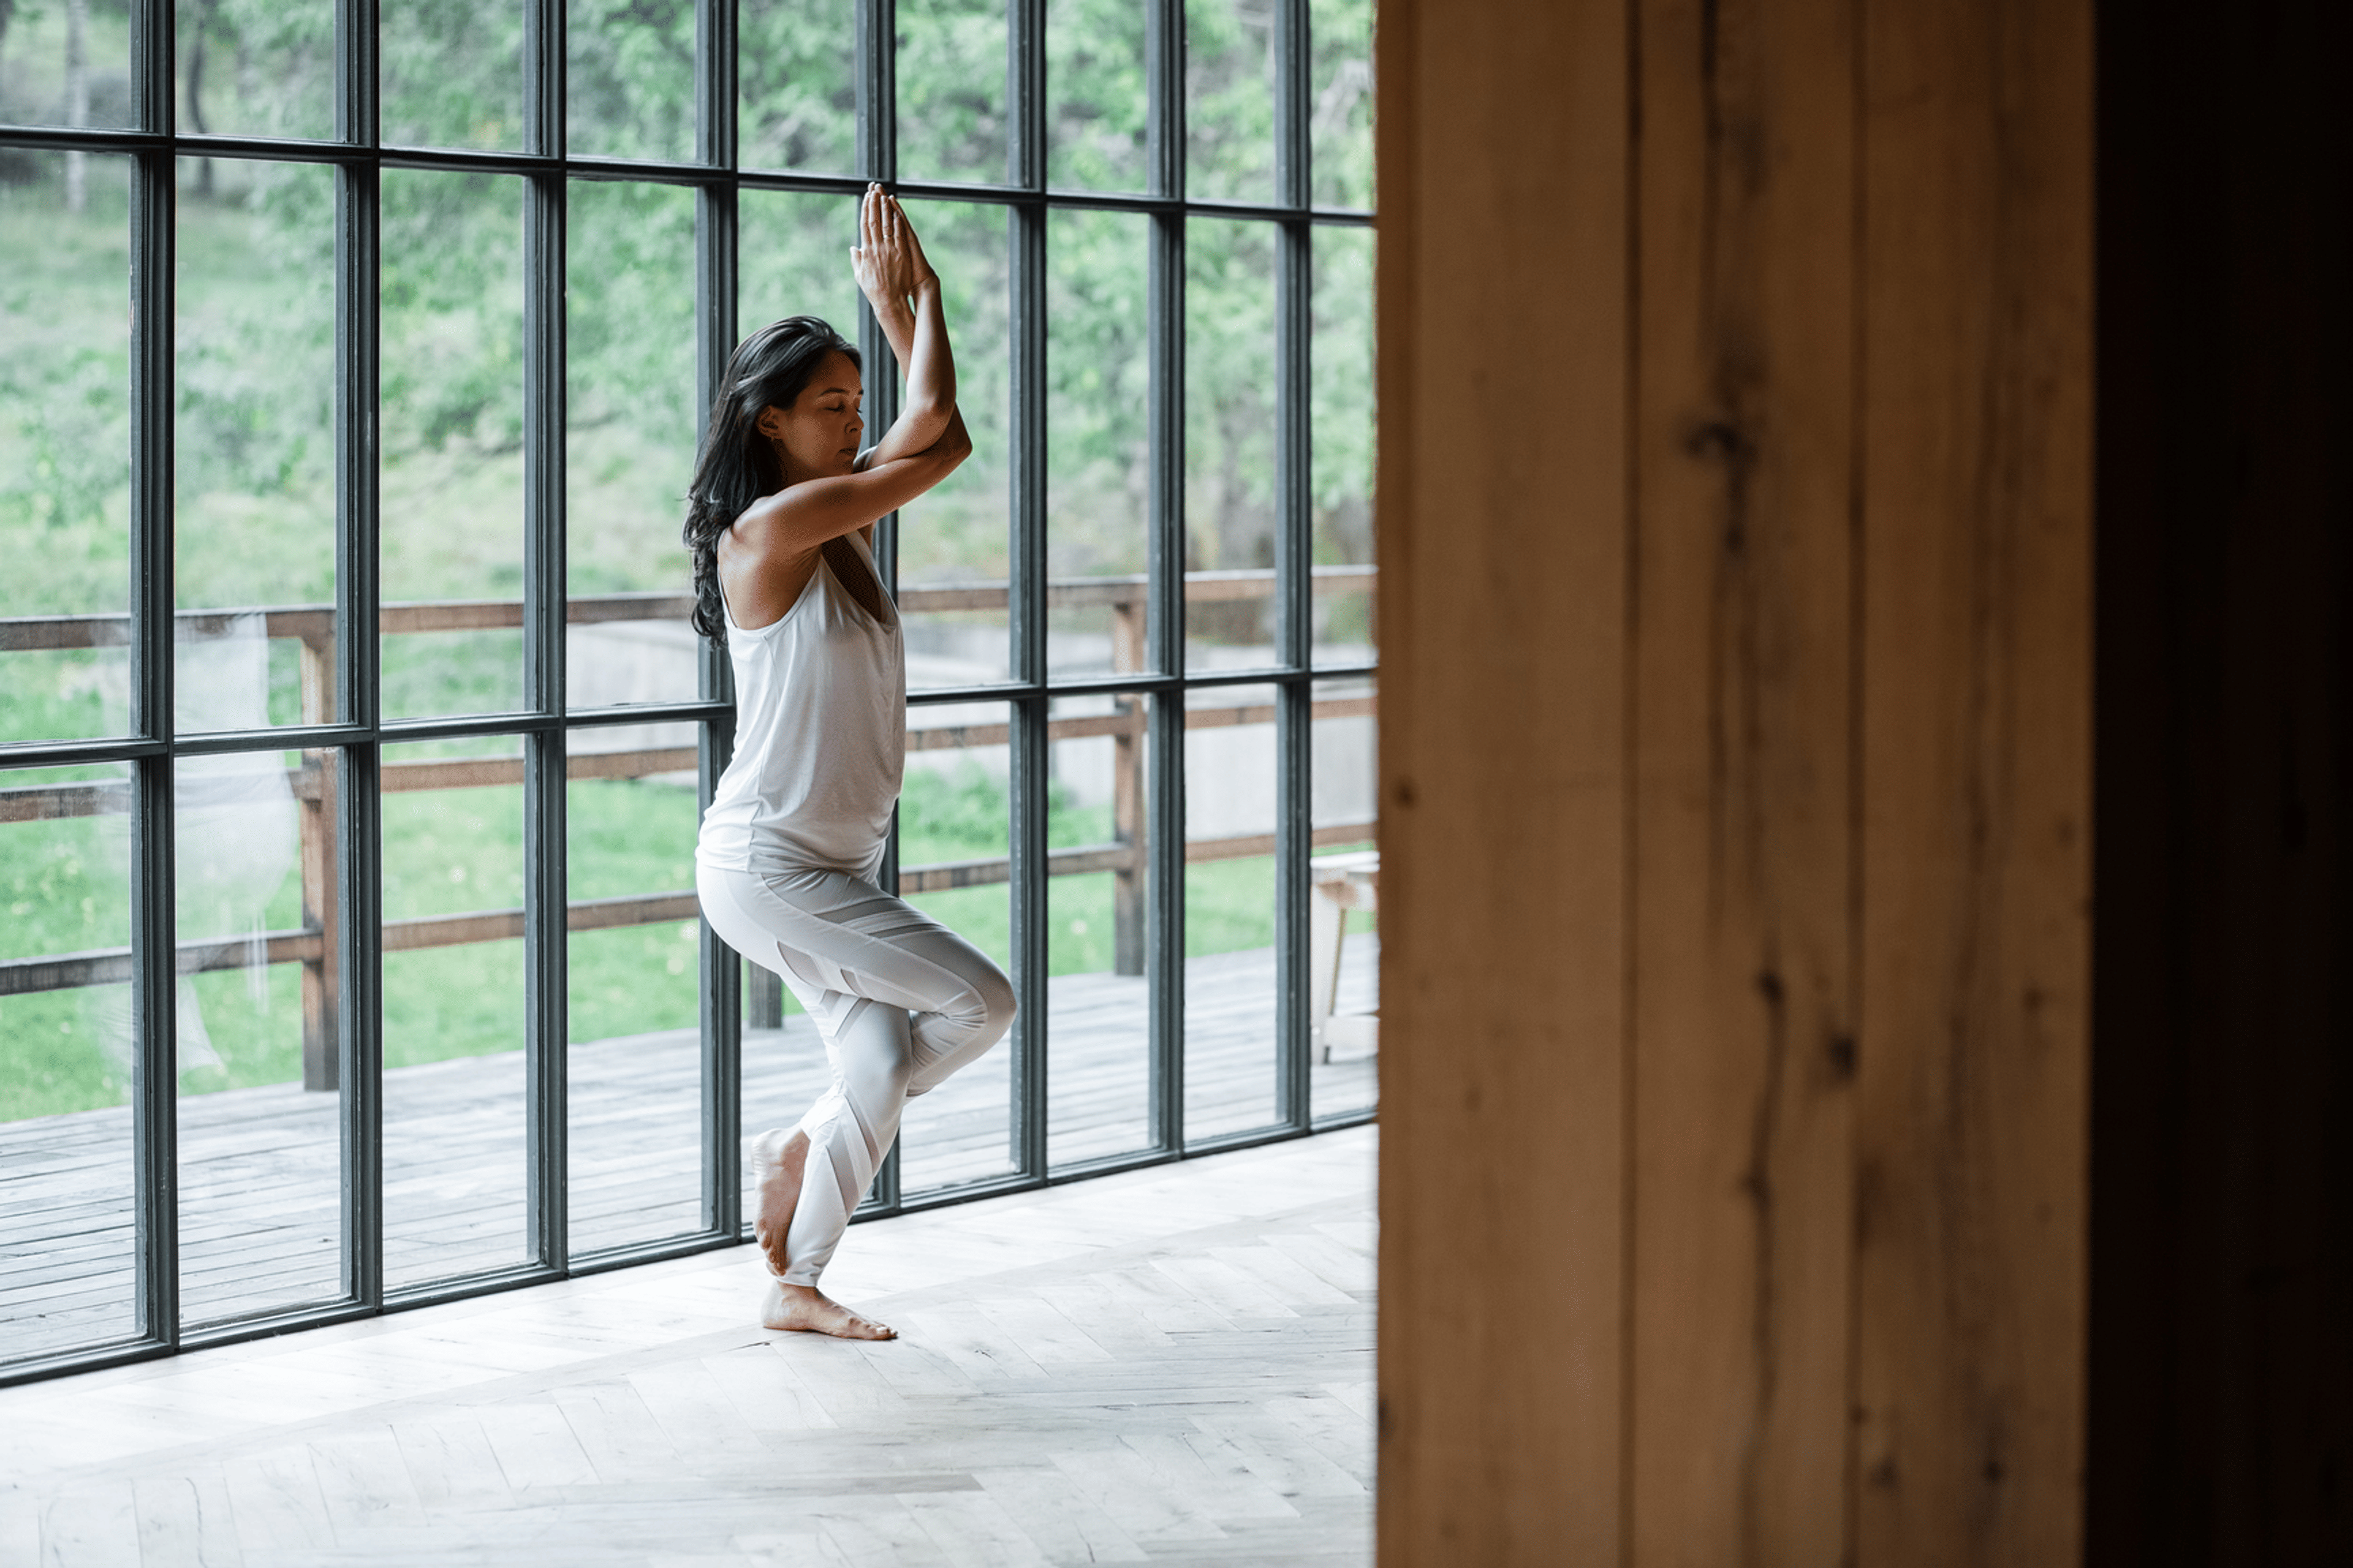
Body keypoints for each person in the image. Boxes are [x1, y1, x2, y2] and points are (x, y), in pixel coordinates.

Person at [686, 184, 1014, 1341]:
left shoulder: (838, 522)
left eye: (856, 404)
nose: (849, 420)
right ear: (770, 421)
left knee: (879, 1057)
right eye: (830, 406)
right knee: (983, 1000)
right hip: (770, 864)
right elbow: (949, 433)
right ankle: (806, 1137)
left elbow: (938, 430)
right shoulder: (770, 534)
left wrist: (908, 321)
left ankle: (797, 1281)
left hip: (832, 865)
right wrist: (912, 300)